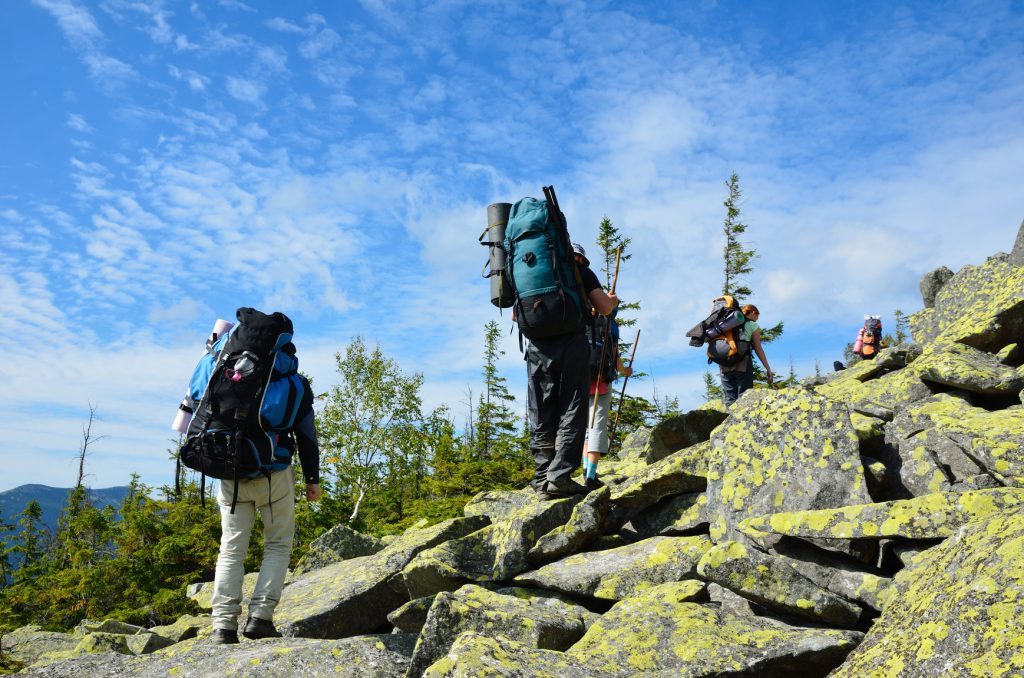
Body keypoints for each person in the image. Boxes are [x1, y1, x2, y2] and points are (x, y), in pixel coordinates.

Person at [210, 372, 322, 645]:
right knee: (277, 545)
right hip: (274, 472)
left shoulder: (224, 370)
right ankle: (260, 617)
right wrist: (312, 478)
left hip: (232, 471)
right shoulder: (293, 381)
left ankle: (223, 625)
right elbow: (306, 432)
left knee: (231, 548)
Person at [526, 242, 618, 500]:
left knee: (541, 411)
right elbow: (604, 308)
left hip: (537, 349)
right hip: (572, 346)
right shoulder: (580, 272)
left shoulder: (535, 270)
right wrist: (609, 300)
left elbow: (514, 315)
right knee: (571, 409)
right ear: (580, 258)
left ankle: (542, 479)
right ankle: (560, 478)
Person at [582, 313, 632, 489]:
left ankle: (585, 468)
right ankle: (591, 476)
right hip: (601, 382)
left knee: (586, 427)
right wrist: (626, 371)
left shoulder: (582, 320)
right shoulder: (609, 326)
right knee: (597, 426)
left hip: (580, 380)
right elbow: (616, 359)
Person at [720, 303, 773, 408]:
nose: (757, 319)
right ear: (753, 313)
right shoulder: (753, 325)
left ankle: (729, 423)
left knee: (730, 400)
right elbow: (758, 348)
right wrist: (768, 369)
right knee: (745, 399)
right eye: (757, 316)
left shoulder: (728, 323)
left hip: (724, 364)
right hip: (742, 364)